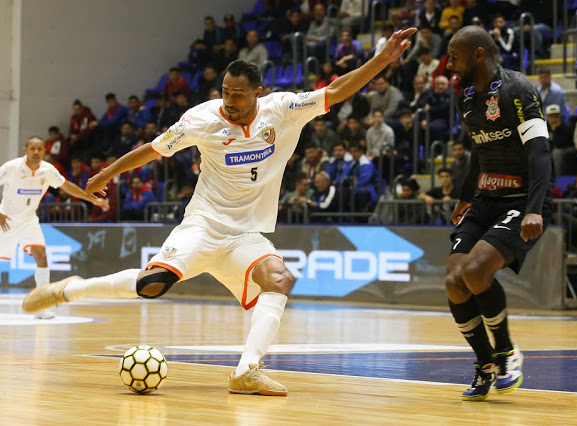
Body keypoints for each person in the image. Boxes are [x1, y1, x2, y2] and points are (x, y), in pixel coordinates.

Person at [22, 28, 418, 395]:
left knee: (279, 279)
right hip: (204, 225)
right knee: (151, 285)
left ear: (258, 93)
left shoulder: (282, 110)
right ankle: (69, 289)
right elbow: (154, 148)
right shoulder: (202, 118)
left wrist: (383, 58)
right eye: (226, 91)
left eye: (239, 94)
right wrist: (107, 171)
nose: (230, 100)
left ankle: (247, 370)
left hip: (245, 234)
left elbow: (338, 89)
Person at [445, 25, 553, 400]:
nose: (448, 63)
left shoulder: (518, 89)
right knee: (454, 280)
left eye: (454, 56)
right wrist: (464, 195)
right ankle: (485, 363)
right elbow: (479, 152)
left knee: (476, 271)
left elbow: (540, 152)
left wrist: (535, 210)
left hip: (521, 200)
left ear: (478, 54)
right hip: (485, 199)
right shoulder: (467, 96)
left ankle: (507, 351)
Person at [1, 137, 107, 319]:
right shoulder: (11, 167)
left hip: (29, 220)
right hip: (6, 219)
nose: (36, 152)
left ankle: (42, 306)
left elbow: (66, 185)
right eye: (32, 148)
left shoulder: (48, 170)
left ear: (44, 151)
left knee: (42, 257)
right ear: (25, 149)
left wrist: (92, 199)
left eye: (40, 149)